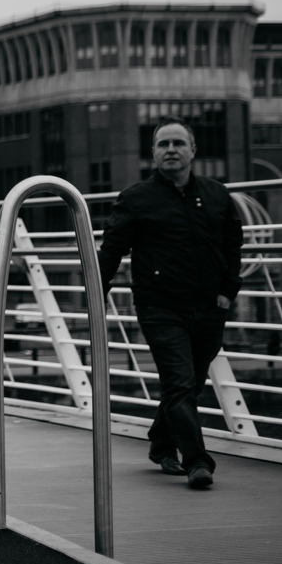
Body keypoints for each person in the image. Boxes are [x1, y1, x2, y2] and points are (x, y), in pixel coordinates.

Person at [96, 117, 244, 490]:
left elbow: (233, 244)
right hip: (160, 307)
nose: (171, 150)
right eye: (163, 145)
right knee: (179, 381)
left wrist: (229, 291)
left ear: (193, 150)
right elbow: (111, 249)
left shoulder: (216, 194)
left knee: (190, 383)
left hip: (211, 305)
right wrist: (97, 290)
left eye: (178, 143)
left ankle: (161, 443)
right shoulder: (136, 199)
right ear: (153, 154)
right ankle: (197, 460)